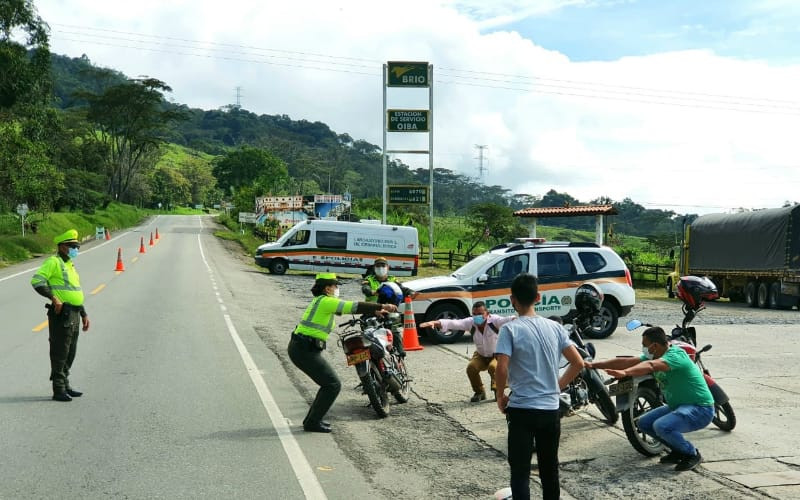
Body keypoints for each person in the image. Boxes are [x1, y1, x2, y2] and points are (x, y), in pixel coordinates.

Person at [494, 273, 584, 500]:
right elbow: (578, 363)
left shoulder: (510, 329)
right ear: (539, 297)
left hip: (522, 410)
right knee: (549, 469)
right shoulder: (555, 327)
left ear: (512, 299)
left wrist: (500, 396)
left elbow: (502, 367)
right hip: (550, 410)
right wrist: (557, 386)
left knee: (520, 471)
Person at [586, 326, 713, 471]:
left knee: (661, 426)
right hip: (678, 406)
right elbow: (626, 361)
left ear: (655, 346)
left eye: (645, 346)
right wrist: (592, 365)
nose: (643, 349)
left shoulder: (675, 356)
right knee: (644, 423)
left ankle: (692, 454)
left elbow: (651, 366)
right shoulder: (655, 355)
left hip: (700, 408)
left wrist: (625, 372)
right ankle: (678, 451)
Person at [290, 272, 398, 433]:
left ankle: (312, 421)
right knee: (332, 384)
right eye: (335, 286)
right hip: (304, 350)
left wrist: (373, 312)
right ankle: (312, 422)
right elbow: (352, 306)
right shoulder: (326, 301)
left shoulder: (321, 301)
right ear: (327, 288)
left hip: (302, 347)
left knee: (329, 384)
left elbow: (345, 310)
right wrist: (381, 306)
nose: (336, 289)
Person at [30, 229, 91, 402]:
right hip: (61, 314)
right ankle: (58, 389)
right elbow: (37, 281)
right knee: (60, 352)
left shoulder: (70, 264)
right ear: (62, 247)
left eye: (77, 246)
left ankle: (66, 384)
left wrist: (84, 313)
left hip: (74, 313)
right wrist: (53, 297)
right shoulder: (53, 262)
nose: (76, 249)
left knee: (71, 351)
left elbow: (75, 291)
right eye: (73, 246)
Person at [420, 301, 514, 402]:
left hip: (497, 355)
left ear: (487, 314)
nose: (477, 316)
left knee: (493, 367)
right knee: (471, 368)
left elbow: (508, 319)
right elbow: (454, 323)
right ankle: (479, 392)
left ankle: (498, 391)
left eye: (480, 314)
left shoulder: (495, 321)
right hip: (481, 355)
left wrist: (521, 318)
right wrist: (435, 322)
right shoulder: (470, 323)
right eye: (474, 314)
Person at [361, 256, 415, 357]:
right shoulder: (369, 279)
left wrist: (411, 293)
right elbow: (365, 289)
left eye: (383, 266)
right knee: (368, 335)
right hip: (372, 311)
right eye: (378, 266)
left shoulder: (392, 279)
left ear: (387, 267)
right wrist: (373, 292)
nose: (380, 268)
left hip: (389, 311)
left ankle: (399, 354)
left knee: (394, 330)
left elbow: (402, 288)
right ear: (374, 268)